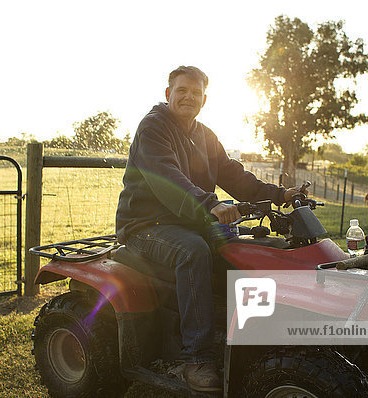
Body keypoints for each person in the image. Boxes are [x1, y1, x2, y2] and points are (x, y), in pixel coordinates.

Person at [115, 65, 303, 392]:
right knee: (194, 252)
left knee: (250, 249)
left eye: (196, 92)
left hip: (189, 222)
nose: (189, 97)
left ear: (204, 98)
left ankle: (246, 334)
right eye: (182, 90)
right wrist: (209, 204)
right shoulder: (154, 128)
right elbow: (168, 178)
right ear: (168, 94)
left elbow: (233, 174)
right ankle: (197, 357)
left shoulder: (204, 134)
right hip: (144, 226)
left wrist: (279, 194)